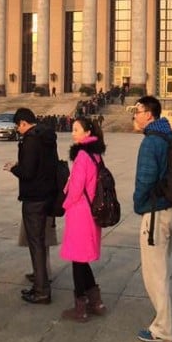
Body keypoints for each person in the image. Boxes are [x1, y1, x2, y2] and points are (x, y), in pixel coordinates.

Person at [131, 95, 172, 342]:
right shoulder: (169, 136)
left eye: (137, 111)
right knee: (163, 265)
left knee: (154, 272)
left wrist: (138, 204)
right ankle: (170, 314)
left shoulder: (151, 142)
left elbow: (146, 179)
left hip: (155, 211)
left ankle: (162, 328)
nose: (135, 116)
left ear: (149, 114)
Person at [5, 107, 59, 305]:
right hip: (48, 195)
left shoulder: (31, 139)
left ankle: (41, 290)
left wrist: (13, 168)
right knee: (40, 242)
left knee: (35, 243)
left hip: (34, 197)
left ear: (23, 123)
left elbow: (27, 171)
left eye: (18, 127)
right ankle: (41, 282)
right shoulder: (48, 136)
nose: (18, 130)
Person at [59, 116, 108, 322]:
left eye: (77, 129)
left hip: (80, 212)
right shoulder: (95, 155)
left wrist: (64, 204)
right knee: (82, 258)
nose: (73, 132)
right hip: (91, 212)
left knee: (77, 261)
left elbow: (77, 189)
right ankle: (96, 302)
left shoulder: (82, 156)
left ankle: (81, 308)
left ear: (88, 133)